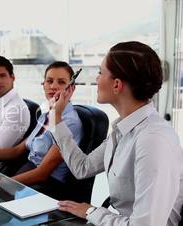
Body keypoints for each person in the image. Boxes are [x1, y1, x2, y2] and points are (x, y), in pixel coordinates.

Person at [53, 41, 183, 225]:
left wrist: (92, 212)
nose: (96, 79)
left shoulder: (152, 140)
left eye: (100, 73)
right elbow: (83, 168)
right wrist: (57, 116)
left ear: (116, 85)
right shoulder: (122, 130)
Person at [0, 61, 83, 201]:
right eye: (49, 81)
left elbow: (43, 173)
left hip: (46, 186)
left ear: (71, 88)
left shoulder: (70, 123)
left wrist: (5, 182)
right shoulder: (46, 115)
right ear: (43, 85)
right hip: (27, 171)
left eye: (61, 82)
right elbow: (17, 150)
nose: (53, 86)